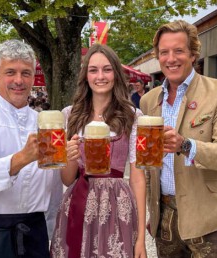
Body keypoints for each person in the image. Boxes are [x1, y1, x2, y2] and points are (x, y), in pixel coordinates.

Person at [140, 20, 217, 258]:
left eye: (178, 51)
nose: (171, 59)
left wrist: (186, 145)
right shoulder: (149, 100)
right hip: (165, 219)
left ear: (193, 54)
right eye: (164, 52)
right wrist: (153, 213)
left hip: (209, 218)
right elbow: (148, 168)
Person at [50, 43, 147, 258]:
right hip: (78, 202)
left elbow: (138, 179)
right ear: (85, 76)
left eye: (107, 69)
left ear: (116, 74)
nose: (100, 76)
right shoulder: (69, 115)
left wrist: (140, 238)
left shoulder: (133, 116)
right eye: (93, 70)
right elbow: (67, 179)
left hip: (117, 204)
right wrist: (70, 156)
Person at [0, 39, 63, 258]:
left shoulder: (46, 122)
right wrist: (21, 158)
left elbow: (54, 187)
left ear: (33, 77)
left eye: (26, 73)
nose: (19, 81)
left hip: (35, 233)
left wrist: (53, 233)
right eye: (10, 72)